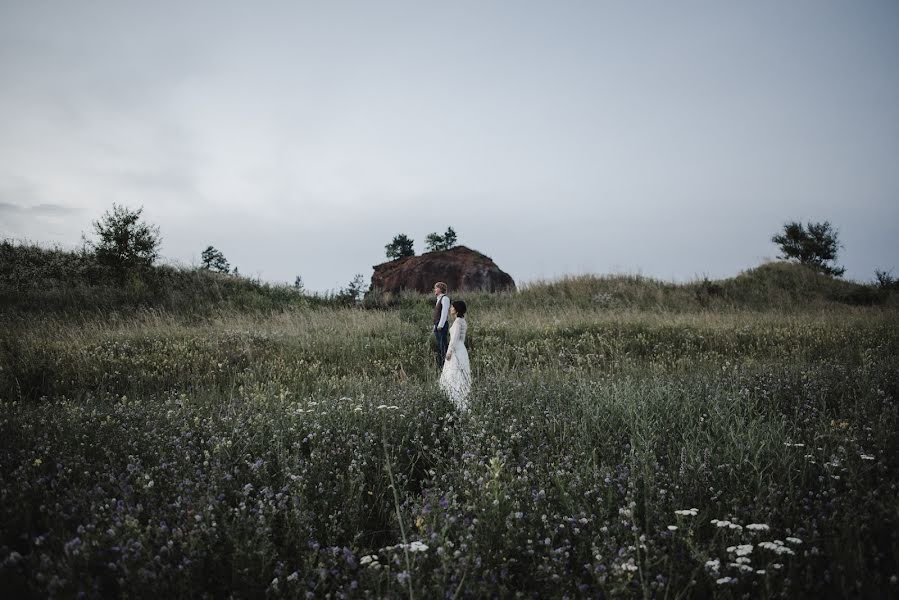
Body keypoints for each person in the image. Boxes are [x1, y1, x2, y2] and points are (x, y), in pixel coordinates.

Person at [439, 300, 471, 410]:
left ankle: (454, 400)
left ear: (456, 309)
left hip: (456, 350)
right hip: (462, 349)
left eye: (452, 307)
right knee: (459, 374)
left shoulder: (458, 322)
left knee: (454, 373)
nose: (450, 309)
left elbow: (454, 339)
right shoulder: (463, 321)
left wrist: (449, 351)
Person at [432, 282, 451, 370]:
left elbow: (444, 313)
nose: (435, 290)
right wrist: (434, 326)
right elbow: (437, 314)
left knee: (443, 346)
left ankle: (446, 365)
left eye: (436, 288)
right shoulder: (438, 299)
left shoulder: (445, 298)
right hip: (437, 325)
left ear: (440, 289)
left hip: (442, 326)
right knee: (439, 346)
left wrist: (440, 325)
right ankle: (441, 365)